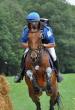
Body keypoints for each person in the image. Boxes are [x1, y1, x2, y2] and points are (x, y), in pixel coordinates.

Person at [15, 12, 63, 83]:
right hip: (32, 45)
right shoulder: (26, 29)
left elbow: (53, 44)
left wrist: (43, 45)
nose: (30, 24)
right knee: (24, 55)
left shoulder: (46, 29)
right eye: (29, 22)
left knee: (54, 56)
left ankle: (58, 73)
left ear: (37, 22)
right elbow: (22, 43)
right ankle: (20, 74)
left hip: (46, 44)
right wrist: (31, 46)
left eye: (32, 22)